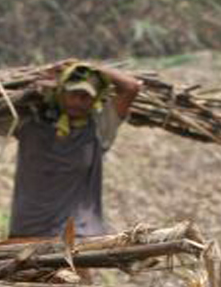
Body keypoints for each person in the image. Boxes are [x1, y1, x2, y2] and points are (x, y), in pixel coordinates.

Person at [8, 62, 141, 239]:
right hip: (27, 231)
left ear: (95, 100)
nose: (78, 102)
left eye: (85, 97)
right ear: (60, 92)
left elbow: (131, 88)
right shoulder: (28, 121)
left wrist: (89, 66)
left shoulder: (100, 128)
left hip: (79, 234)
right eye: (73, 94)